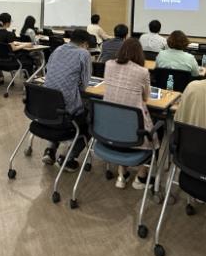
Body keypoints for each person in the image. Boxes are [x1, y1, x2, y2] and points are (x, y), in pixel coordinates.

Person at [103, 38, 158, 189]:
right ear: (140, 54)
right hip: (133, 129)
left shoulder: (108, 64)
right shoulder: (142, 71)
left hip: (109, 126)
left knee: (122, 128)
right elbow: (145, 97)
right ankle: (141, 177)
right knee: (153, 133)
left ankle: (122, 175)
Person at [42, 28, 92, 172]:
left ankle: (50, 150)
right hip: (66, 113)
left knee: (59, 112)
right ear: (85, 44)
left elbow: (48, 71)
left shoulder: (57, 49)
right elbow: (84, 85)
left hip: (46, 108)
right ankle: (68, 158)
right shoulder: (84, 54)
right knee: (90, 121)